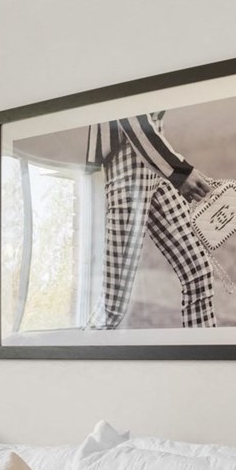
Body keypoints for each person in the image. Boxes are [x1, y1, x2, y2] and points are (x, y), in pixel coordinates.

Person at [86, 111, 216, 330]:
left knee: (199, 274)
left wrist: (171, 166)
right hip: (128, 160)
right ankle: (73, 361)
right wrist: (179, 171)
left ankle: (202, 360)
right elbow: (131, 114)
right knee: (112, 307)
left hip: (154, 157)